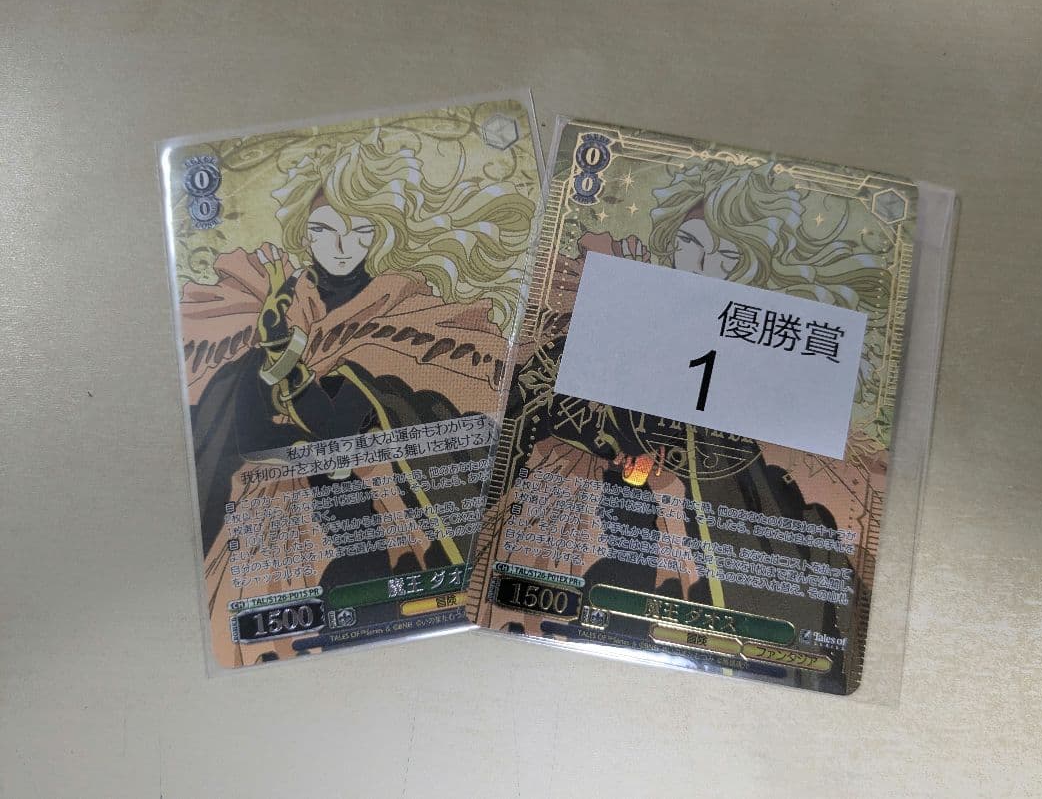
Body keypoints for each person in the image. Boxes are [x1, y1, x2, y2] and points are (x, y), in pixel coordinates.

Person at [489, 158, 890, 691]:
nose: (701, 265)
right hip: (605, 564)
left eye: (728, 254)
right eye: (689, 243)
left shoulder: (767, 368)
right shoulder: (617, 329)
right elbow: (532, 400)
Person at [180, 130, 534, 666]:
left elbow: (353, 428)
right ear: (303, 234)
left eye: (359, 230)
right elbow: (251, 437)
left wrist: (300, 377)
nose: (341, 246)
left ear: (382, 234)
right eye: (323, 230)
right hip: (278, 523)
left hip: (391, 514)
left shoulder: (404, 312)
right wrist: (273, 356)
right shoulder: (274, 313)